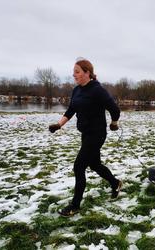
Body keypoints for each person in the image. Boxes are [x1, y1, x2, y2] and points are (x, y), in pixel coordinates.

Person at [48, 58, 122, 217]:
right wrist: (59, 124)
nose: (73, 75)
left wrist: (114, 123)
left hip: (97, 134)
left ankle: (75, 205)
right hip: (85, 133)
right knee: (95, 164)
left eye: (77, 72)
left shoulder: (97, 90)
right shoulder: (76, 90)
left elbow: (114, 109)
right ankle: (116, 183)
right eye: (73, 71)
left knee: (79, 166)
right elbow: (70, 111)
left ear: (87, 73)